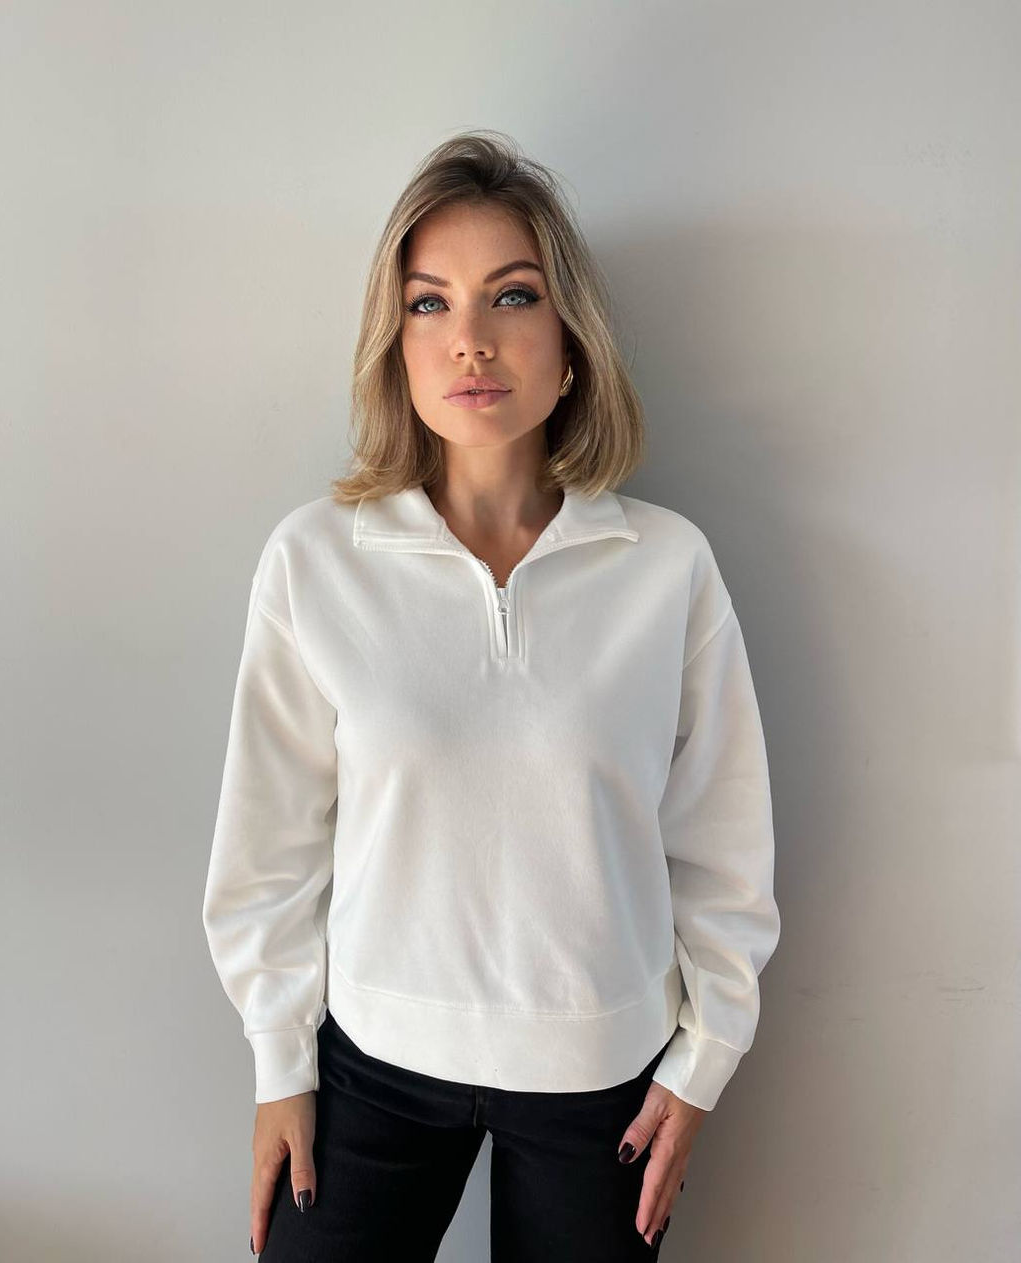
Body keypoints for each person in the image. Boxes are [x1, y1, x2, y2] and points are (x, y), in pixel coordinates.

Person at [202, 129, 781, 1262]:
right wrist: (278, 1062)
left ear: (570, 343)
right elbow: (268, 841)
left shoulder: (665, 567)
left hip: (603, 1081)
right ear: (396, 347)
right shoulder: (316, 561)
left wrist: (705, 1059)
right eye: (429, 304)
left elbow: (722, 837)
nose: (470, 339)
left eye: (512, 296)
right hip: (370, 1067)